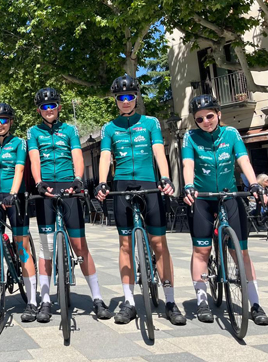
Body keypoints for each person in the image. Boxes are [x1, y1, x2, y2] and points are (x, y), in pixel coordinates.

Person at [95, 74, 185, 326]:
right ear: (115, 100)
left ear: (136, 98)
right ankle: (129, 302)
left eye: (130, 96)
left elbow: (158, 151)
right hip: (121, 184)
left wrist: (165, 177)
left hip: (148, 183)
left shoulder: (150, 122)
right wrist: (102, 182)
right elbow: (105, 156)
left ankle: (170, 301)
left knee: (159, 243)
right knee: (125, 245)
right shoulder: (109, 128)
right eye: (120, 97)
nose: (125, 101)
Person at [28, 88, 112, 323]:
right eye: (44, 107)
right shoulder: (33, 131)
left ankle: (97, 298)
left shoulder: (70, 130)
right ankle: (46, 300)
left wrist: (78, 179)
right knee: (46, 249)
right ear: (39, 110)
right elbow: (34, 159)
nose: (49, 109)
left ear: (59, 107)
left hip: (68, 186)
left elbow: (76, 154)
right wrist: (38, 182)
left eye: (52, 105)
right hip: (46, 187)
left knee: (80, 245)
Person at [182, 94, 268, 325]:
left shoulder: (231, 133)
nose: (206, 121)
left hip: (229, 195)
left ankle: (255, 303)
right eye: (200, 119)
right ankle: (202, 301)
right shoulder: (190, 136)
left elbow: (243, 160)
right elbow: (188, 163)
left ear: (219, 114)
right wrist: (188, 186)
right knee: (201, 250)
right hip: (202, 197)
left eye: (210, 116)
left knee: (241, 252)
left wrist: (254, 185)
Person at [0, 103, 39, 322]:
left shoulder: (19, 143)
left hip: (15, 197)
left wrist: (12, 193)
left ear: (10, 122)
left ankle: (32, 301)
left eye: (3, 120)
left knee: (22, 247)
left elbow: (19, 169)